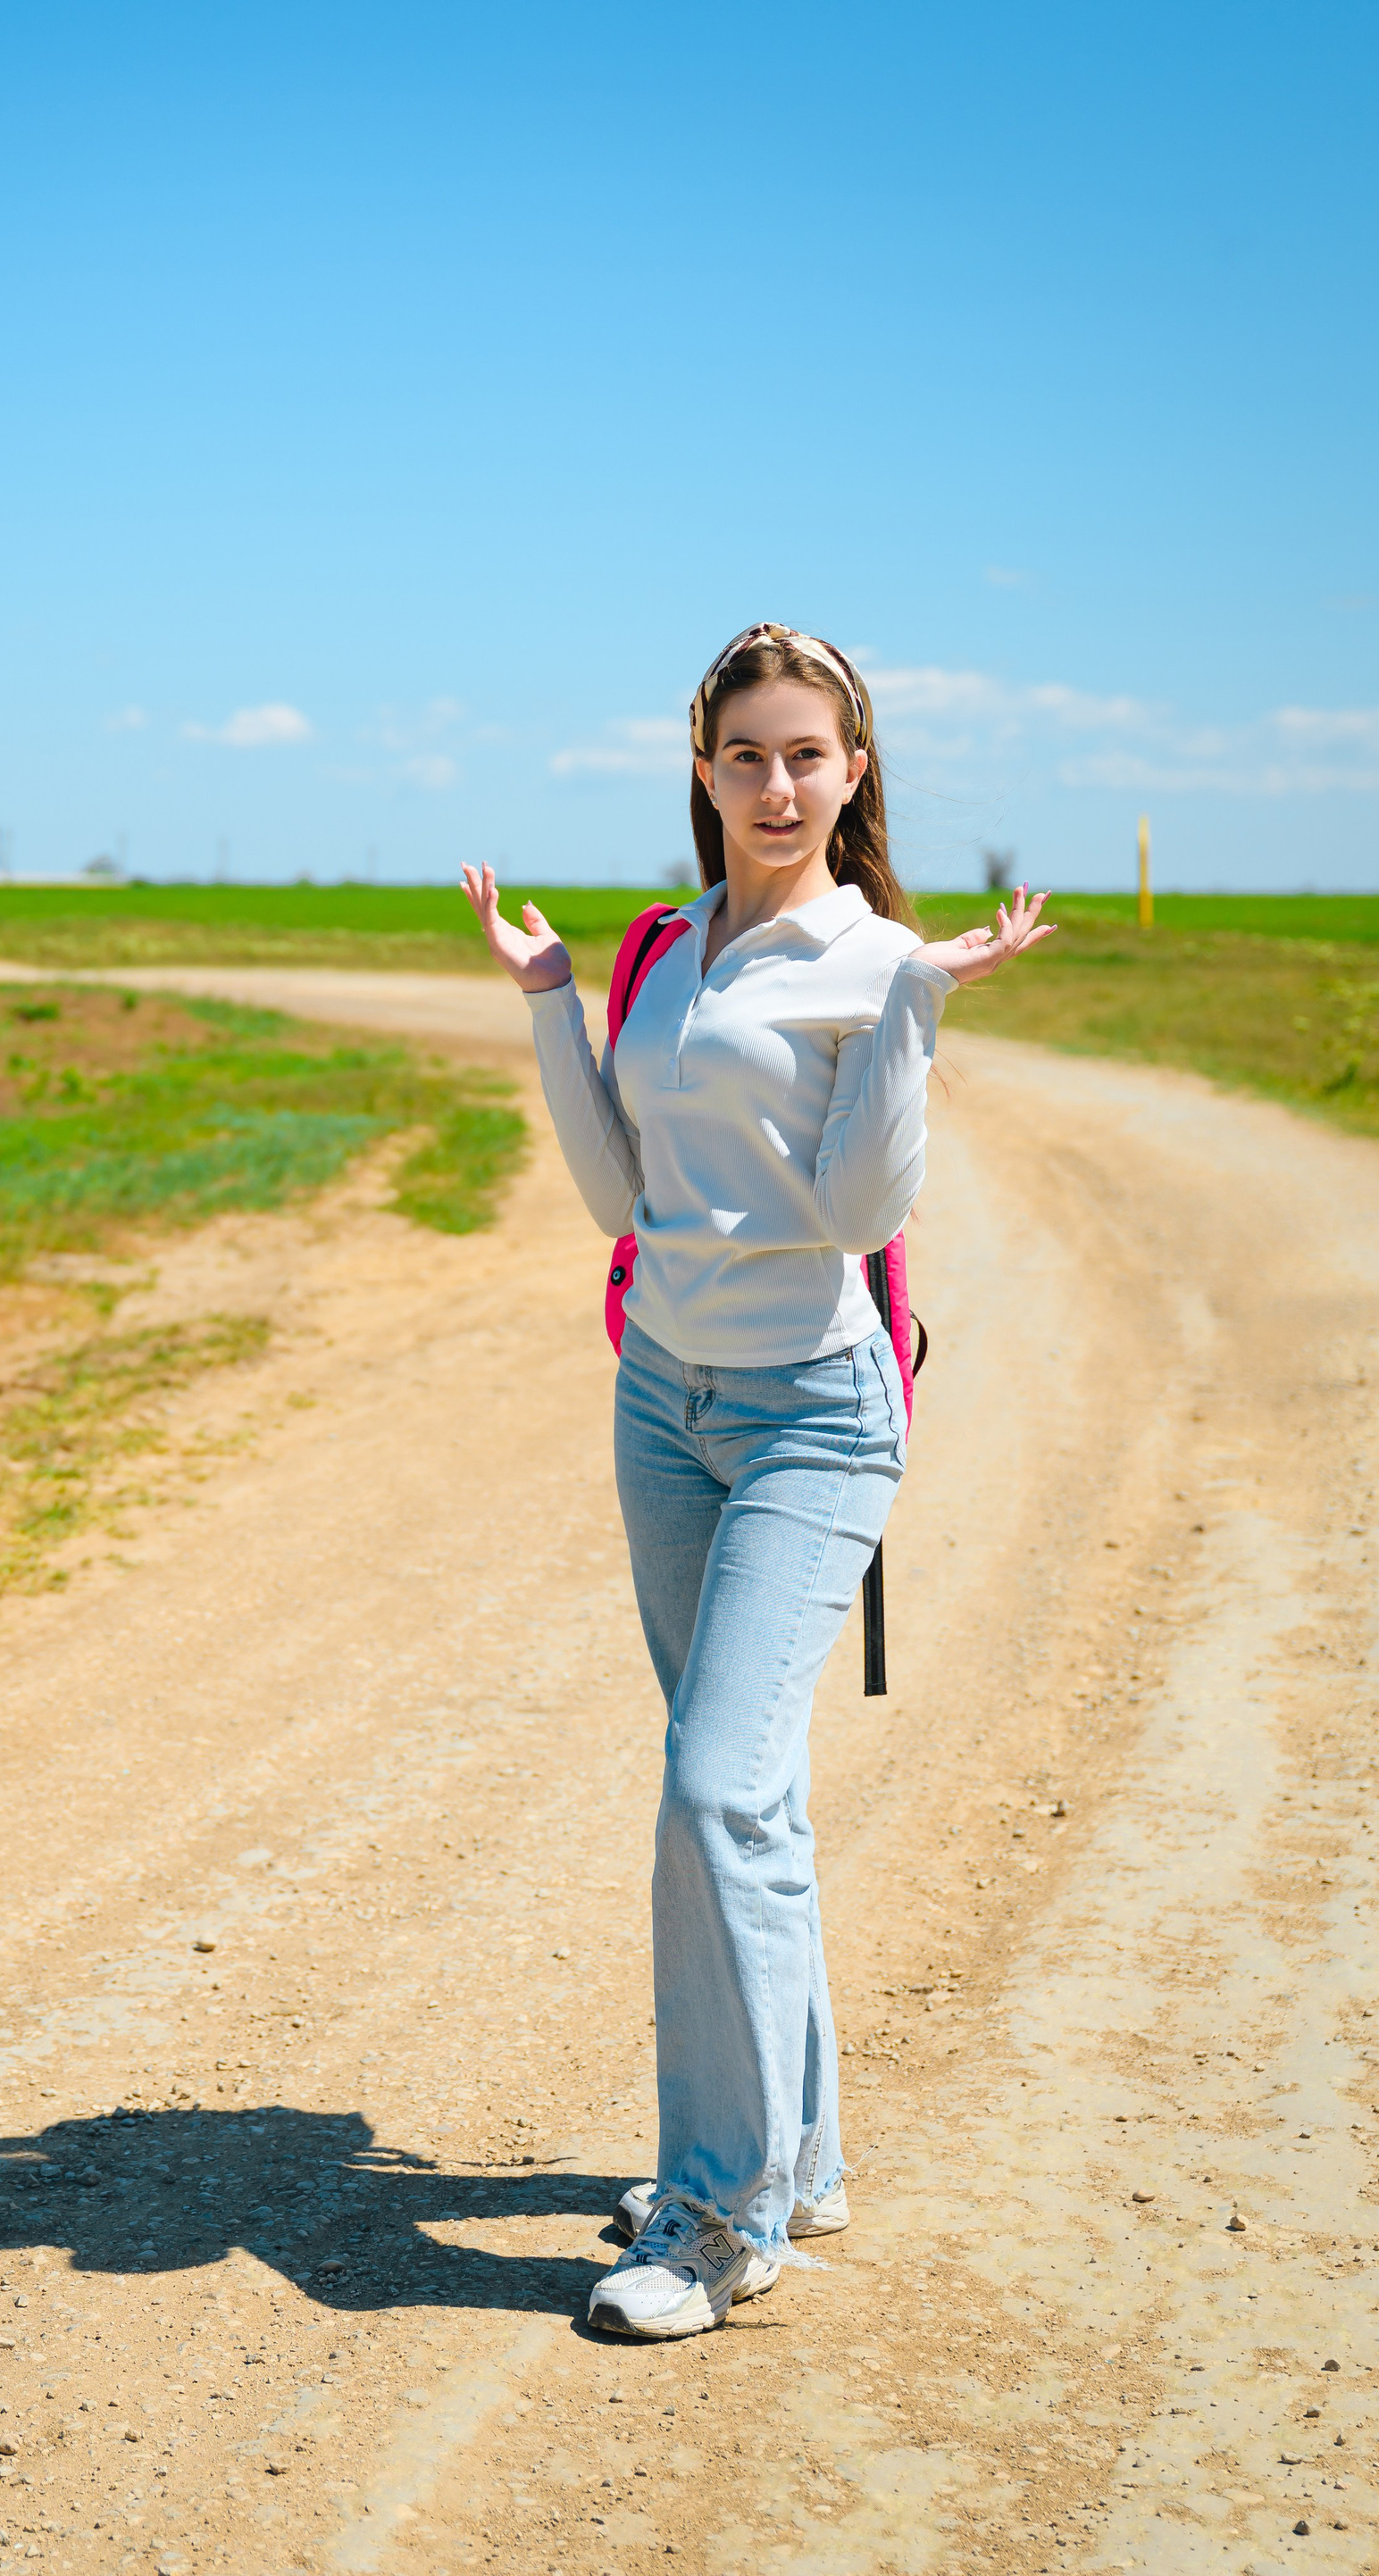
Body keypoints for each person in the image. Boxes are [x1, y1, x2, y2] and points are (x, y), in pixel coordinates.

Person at [462, 621, 1053, 2341]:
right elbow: (615, 1193)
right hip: (663, 1399)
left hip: (812, 1412)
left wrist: (919, 1010)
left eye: (808, 755)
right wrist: (555, 998)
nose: (777, 784)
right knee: (750, 1798)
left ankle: (717, 2216)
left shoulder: (873, 961)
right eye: (746, 755)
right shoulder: (667, 948)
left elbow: (864, 1215)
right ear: (704, 773)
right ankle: (804, 2153)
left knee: (712, 1790)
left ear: (854, 772)